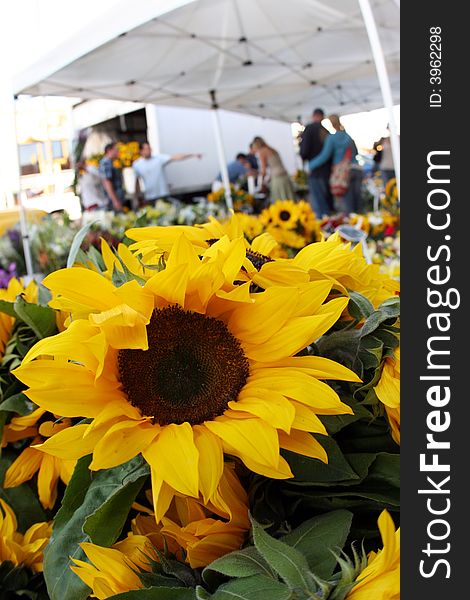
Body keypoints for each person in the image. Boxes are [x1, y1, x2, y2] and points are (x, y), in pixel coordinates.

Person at [308, 114, 363, 214]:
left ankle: (351, 226)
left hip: (343, 173)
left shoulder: (332, 138)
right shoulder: (348, 136)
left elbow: (324, 156)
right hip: (356, 169)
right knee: (358, 202)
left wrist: (310, 165)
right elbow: (356, 153)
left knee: (347, 205)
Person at [133, 142, 202, 205]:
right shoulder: (137, 164)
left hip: (163, 194)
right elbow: (137, 182)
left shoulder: (158, 159)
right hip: (150, 197)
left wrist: (192, 155)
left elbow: (176, 157)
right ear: (141, 151)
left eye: (150, 148)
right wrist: (137, 197)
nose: (150, 150)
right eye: (147, 149)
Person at [299, 108, 333, 217]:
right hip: (327, 171)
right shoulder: (326, 131)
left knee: (318, 203)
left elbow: (304, 150)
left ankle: (323, 227)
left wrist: (306, 163)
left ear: (314, 116)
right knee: (326, 199)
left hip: (315, 170)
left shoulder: (309, 128)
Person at [251, 137, 295, 201]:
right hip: (285, 176)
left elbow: (263, 171)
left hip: (277, 178)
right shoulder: (272, 149)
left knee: (280, 200)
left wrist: (261, 183)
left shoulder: (262, 152)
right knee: (289, 199)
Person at [98, 142, 125, 212]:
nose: (118, 152)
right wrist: (115, 201)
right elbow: (107, 183)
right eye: (116, 150)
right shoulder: (106, 163)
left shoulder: (108, 162)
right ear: (109, 150)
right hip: (113, 200)